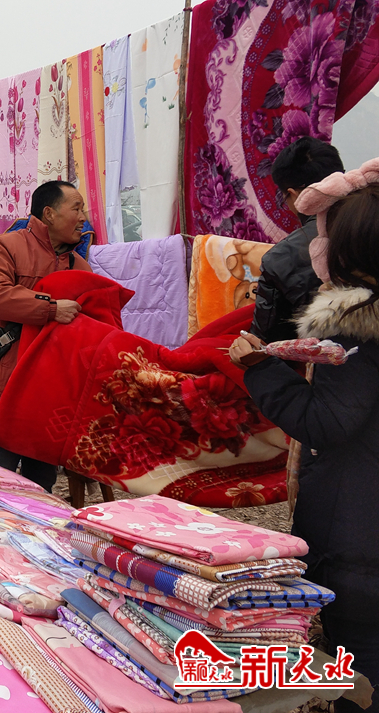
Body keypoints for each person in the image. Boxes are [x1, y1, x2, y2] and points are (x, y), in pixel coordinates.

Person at [231, 172, 379, 712]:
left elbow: (327, 423)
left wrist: (258, 369)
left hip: (360, 531)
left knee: (360, 662)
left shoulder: (356, 321)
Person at [0, 180, 92, 489]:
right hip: (7, 384)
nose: (83, 218)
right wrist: (51, 309)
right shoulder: (5, 246)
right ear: (49, 214)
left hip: (52, 391)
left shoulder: (79, 265)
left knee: (41, 482)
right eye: (76, 209)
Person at [250, 137, 345, 343]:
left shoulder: (279, 259)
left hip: (327, 357)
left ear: (292, 194)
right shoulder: (369, 222)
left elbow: (266, 344)